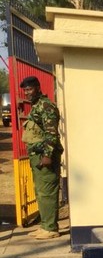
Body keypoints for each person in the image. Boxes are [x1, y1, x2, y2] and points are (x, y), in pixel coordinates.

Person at [19, 76, 63, 239]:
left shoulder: (46, 106)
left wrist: (47, 155)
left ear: (38, 88)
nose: (27, 93)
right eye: (25, 90)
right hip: (37, 156)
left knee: (47, 191)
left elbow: (51, 133)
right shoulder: (37, 106)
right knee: (40, 191)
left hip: (45, 156)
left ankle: (51, 228)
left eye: (30, 89)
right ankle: (45, 225)